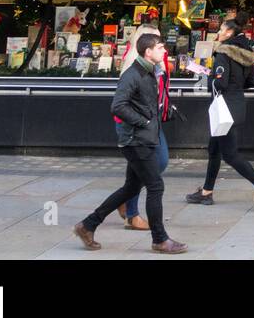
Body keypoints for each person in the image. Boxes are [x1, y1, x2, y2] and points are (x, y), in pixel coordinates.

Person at [74, 33, 187, 254]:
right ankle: (160, 240)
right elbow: (117, 106)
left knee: (131, 187)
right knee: (155, 186)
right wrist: (143, 121)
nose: (165, 51)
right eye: (160, 48)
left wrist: (162, 114)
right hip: (135, 140)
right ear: (148, 52)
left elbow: (145, 103)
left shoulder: (150, 72)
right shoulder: (132, 74)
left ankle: (87, 225)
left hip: (144, 138)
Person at [186, 18, 254, 211]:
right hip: (237, 105)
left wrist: (209, 76)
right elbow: (253, 80)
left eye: (220, 29)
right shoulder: (245, 54)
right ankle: (206, 192)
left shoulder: (223, 53)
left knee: (230, 154)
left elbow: (221, 83)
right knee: (214, 150)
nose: (218, 32)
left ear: (228, 33)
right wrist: (237, 86)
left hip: (223, 109)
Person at [114, 24, 179, 232]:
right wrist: (145, 122)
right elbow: (120, 105)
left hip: (152, 122)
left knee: (144, 168)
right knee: (154, 168)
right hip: (137, 127)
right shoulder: (133, 69)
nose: (162, 47)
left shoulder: (157, 65)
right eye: (156, 42)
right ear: (144, 47)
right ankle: (132, 214)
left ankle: (124, 202)